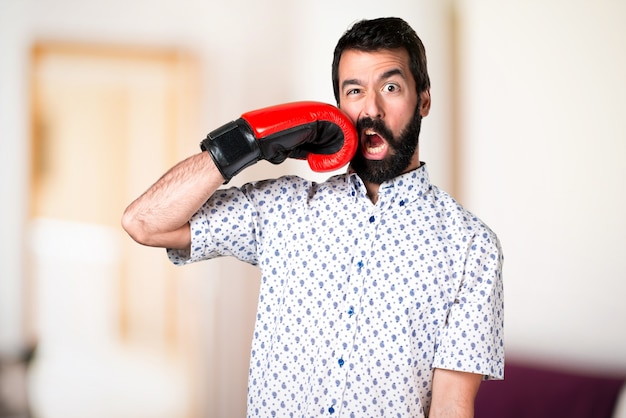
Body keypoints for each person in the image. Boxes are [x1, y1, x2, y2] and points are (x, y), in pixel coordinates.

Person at [122, 16, 504, 418]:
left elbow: (450, 407)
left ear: (424, 99)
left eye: (391, 88)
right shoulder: (283, 208)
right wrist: (247, 141)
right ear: (338, 107)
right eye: (354, 91)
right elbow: (144, 222)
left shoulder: (471, 247)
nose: (371, 109)